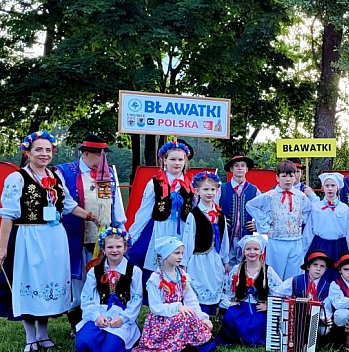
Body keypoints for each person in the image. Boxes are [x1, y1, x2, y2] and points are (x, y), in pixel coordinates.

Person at [0, 130, 100, 352]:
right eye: (39, 150)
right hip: (29, 237)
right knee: (30, 282)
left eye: (48, 150)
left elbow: (69, 205)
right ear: (28, 153)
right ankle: (30, 337)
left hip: (55, 237)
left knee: (48, 284)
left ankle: (43, 334)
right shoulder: (17, 178)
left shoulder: (55, 177)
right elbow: (8, 214)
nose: (44, 154)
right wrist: (2, 246)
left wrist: (91, 216)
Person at [56, 134, 127, 333]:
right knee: (78, 281)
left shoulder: (108, 173)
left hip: (103, 239)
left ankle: (102, 319)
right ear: (86, 153)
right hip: (75, 236)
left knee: (101, 279)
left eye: (104, 155)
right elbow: (63, 204)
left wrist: (120, 229)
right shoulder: (65, 172)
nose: (102, 160)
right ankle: (76, 321)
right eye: (98, 155)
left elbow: (116, 205)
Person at [132, 236, 216, 352]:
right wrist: (177, 307)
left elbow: (191, 300)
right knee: (183, 318)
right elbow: (155, 307)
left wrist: (202, 318)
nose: (180, 256)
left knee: (191, 316)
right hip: (161, 319)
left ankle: (189, 343)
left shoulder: (181, 275)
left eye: (182, 253)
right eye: (176, 253)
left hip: (178, 314)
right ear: (165, 255)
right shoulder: (156, 279)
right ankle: (171, 345)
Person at [127, 140, 195, 280]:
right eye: (173, 159)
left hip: (182, 229)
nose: (177, 163)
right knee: (154, 259)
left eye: (180, 159)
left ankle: (177, 293)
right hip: (159, 228)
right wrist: (132, 236)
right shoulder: (155, 183)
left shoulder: (191, 184)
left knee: (180, 260)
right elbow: (144, 211)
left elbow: (195, 210)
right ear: (164, 160)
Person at [73, 228, 142, 352]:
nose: (114, 250)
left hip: (121, 316)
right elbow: (86, 297)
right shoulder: (95, 271)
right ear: (103, 249)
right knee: (83, 343)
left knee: (108, 351)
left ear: (125, 248)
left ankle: (112, 347)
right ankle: (90, 345)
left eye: (118, 246)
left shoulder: (134, 271)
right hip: (100, 314)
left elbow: (136, 299)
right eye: (110, 247)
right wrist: (96, 316)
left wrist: (123, 318)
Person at [246, 160, 312, 280]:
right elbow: (250, 205)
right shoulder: (270, 195)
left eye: (291, 176)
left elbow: (308, 211)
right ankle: (274, 297)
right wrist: (265, 223)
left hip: (296, 241)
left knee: (294, 275)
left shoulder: (301, 196)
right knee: (275, 274)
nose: (288, 179)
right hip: (276, 241)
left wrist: (299, 221)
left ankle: (291, 297)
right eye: (284, 176)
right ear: (277, 177)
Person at [217, 235, 283, 347]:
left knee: (260, 322)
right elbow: (226, 290)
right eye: (248, 249)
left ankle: (254, 340)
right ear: (243, 252)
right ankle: (234, 339)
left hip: (258, 307)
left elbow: (280, 291)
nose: (252, 252)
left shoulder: (268, 271)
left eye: (256, 249)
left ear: (261, 251)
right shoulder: (236, 269)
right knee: (230, 316)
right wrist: (229, 303)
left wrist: (268, 305)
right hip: (241, 306)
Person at [181, 172, 230, 316]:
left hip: (214, 258)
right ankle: (198, 319)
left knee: (214, 283)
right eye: (205, 189)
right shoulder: (193, 214)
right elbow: (188, 239)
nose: (209, 193)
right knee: (199, 285)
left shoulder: (220, 214)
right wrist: (184, 262)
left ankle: (211, 317)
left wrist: (225, 259)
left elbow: (224, 238)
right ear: (197, 191)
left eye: (212, 190)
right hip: (198, 260)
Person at [273, 249, 335, 335]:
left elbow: (327, 307)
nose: (318, 269)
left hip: (316, 320)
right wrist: (286, 305)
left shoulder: (326, 287)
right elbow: (278, 293)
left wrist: (325, 317)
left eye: (322, 266)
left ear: (325, 269)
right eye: (315, 265)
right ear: (308, 267)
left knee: (324, 329)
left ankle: (313, 343)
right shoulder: (295, 280)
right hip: (295, 318)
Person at [302, 173, 349, 271]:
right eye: (327, 186)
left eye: (333, 185)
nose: (330, 189)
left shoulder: (344, 208)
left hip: (338, 246)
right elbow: (309, 230)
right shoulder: (316, 207)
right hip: (320, 245)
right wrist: (304, 249)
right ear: (323, 187)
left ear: (338, 187)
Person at [219, 155, 261, 267]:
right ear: (231, 169)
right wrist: (220, 221)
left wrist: (256, 224)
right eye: (236, 166)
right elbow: (213, 207)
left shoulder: (254, 190)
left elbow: (263, 210)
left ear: (247, 169)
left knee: (244, 265)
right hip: (226, 234)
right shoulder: (222, 188)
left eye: (243, 166)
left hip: (246, 234)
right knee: (225, 264)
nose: (240, 168)